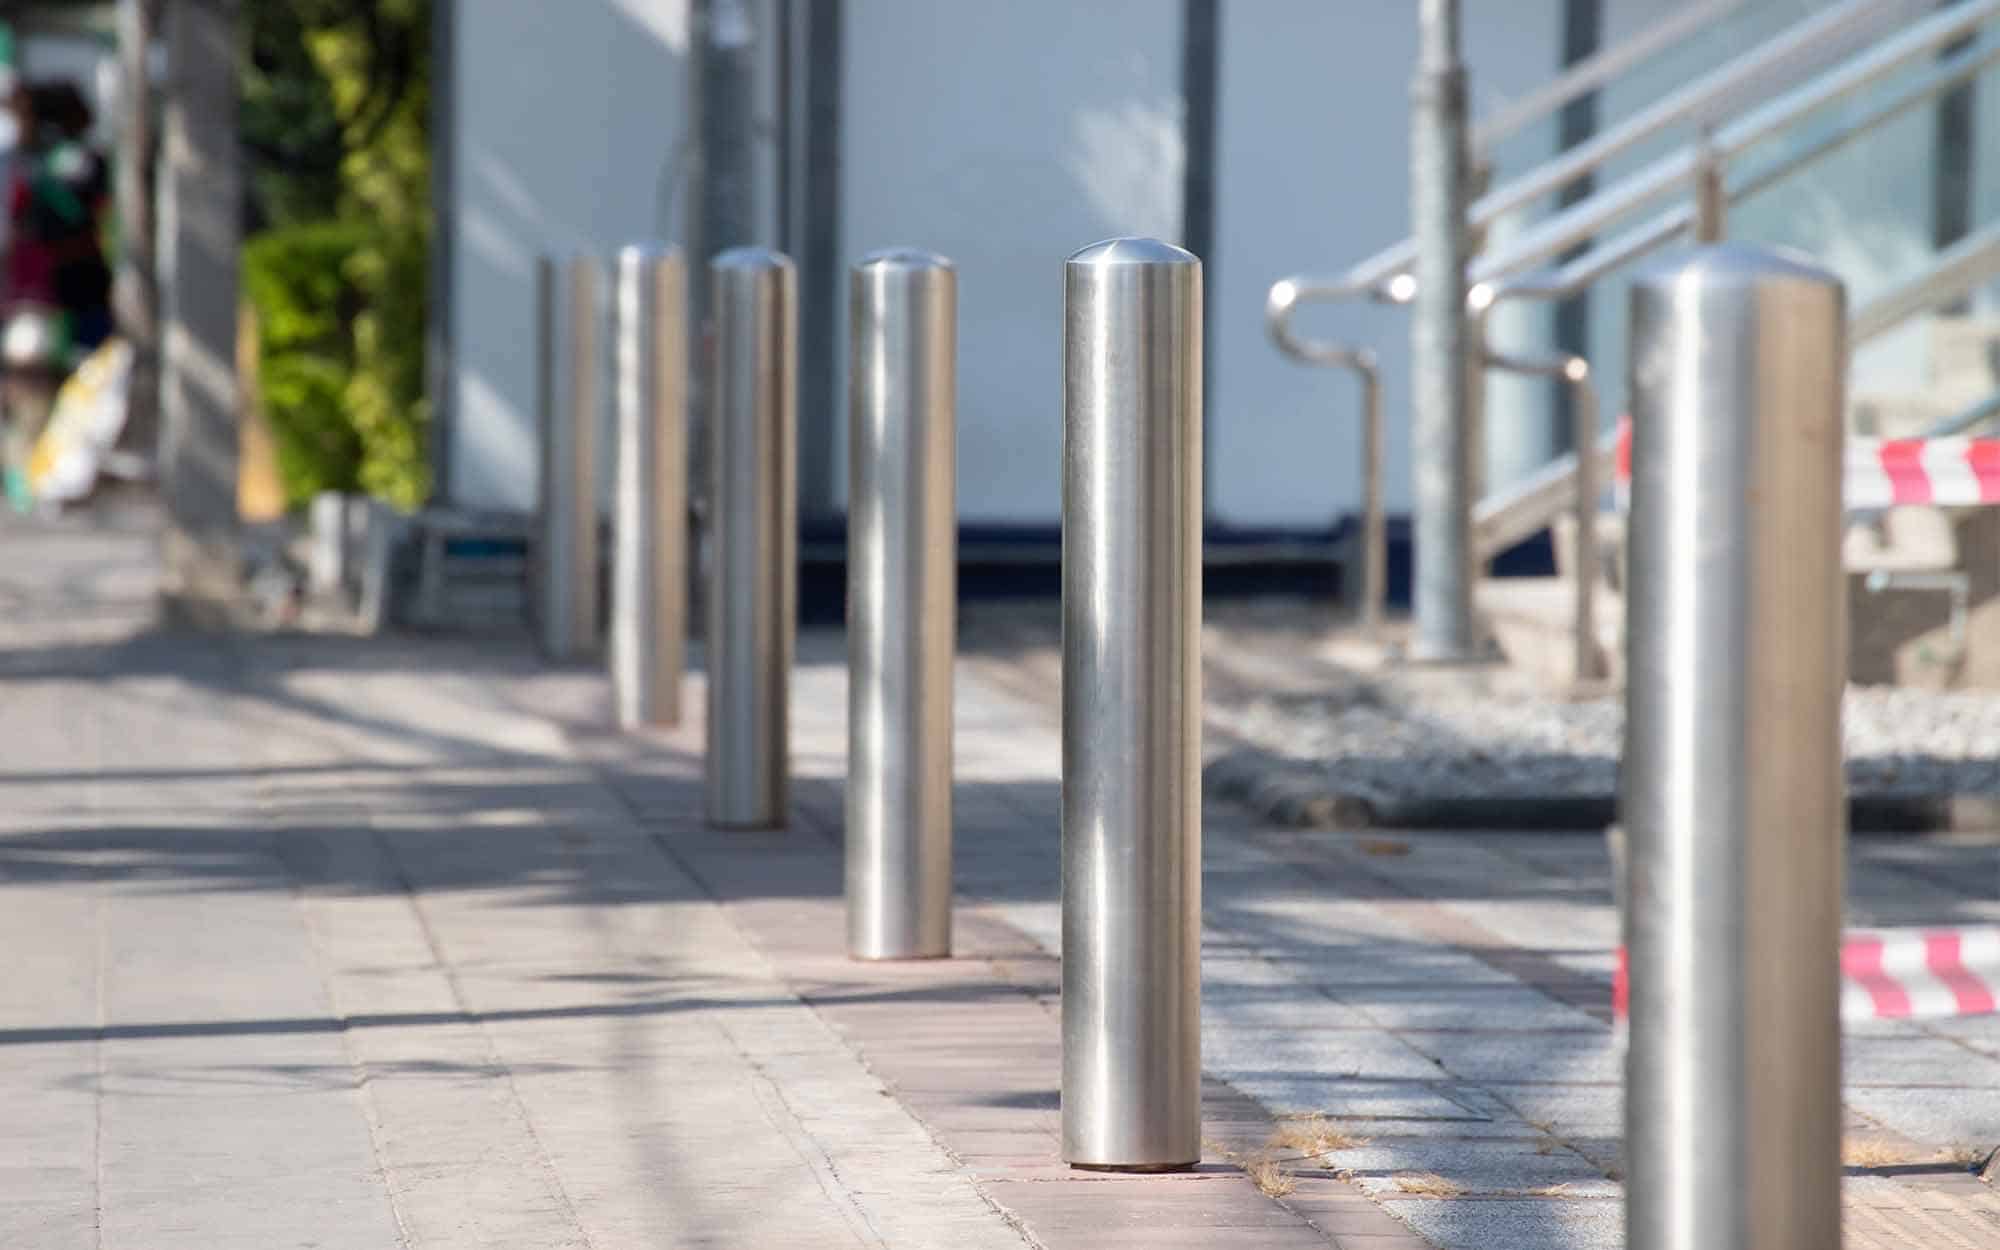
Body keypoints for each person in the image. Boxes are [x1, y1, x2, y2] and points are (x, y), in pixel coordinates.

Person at [4, 80, 111, 356]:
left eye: (23, 119)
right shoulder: (38, 163)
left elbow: (70, 217)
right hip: (53, 285)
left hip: (69, 284)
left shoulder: (66, 162)